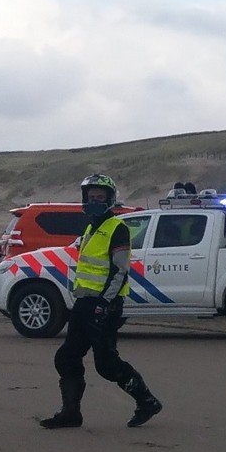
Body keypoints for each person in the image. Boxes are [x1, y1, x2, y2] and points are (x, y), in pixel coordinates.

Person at [40, 174, 163, 429]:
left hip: (104, 305)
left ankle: (147, 400)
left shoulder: (117, 228)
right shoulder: (90, 227)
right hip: (84, 303)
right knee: (66, 358)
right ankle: (71, 413)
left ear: (110, 199)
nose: (94, 201)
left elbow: (120, 271)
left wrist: (104, 304)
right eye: (90, 197)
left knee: (106, 364)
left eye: (100, 197)